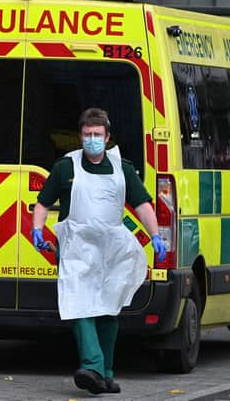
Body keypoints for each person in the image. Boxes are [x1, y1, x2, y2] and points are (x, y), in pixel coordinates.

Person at [31, 108, 166, 395]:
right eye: (87, 135)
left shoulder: (123, 169)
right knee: (79, 303)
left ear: (108, 138)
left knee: (108, 309)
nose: (92, 140)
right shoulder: (66, 168)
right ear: (80, 136)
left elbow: (142, 204)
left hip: (111, 250)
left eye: (97, 135)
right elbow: (42, 203)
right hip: (75, 248)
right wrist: (37, 229)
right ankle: (92, 365)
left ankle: (104, 373)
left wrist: (156, 235)